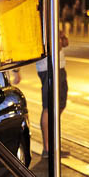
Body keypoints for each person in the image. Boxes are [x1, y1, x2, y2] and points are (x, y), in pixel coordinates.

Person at [37, 30, 68, 158]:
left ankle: (53, 146)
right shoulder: (42, 21)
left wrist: (62, 36)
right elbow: (57, 46)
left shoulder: (51, 17)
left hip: (58, 66)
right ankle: (48, 149)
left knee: (59, 105)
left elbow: (64, 43)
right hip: (49, 67)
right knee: (49, 107)